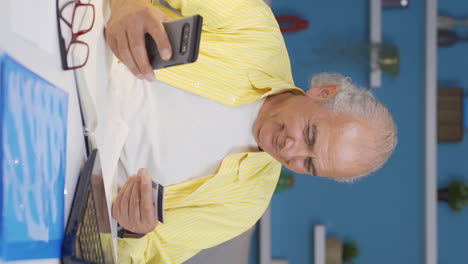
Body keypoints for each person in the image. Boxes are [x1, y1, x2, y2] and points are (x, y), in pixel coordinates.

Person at [103, 0, 397, 263]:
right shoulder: (256, 30)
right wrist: (127, 3)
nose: (290, 151)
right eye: (310, 135)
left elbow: (143, 256)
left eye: (308, 164)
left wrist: (134, 230)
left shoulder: (245, 205)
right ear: (323, 91)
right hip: (79, 55)